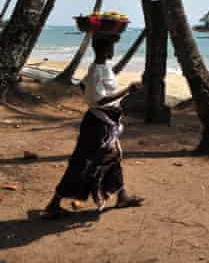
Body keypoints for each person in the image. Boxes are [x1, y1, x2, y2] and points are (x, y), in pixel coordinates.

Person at [45, 33, 144, 218]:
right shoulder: (98, 69)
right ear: (105, 49)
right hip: (98, 125)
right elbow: (100, 99)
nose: (114, 50)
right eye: (112, 46)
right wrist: (127, 90)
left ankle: (121, 196)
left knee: (113, 158)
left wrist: (93, 100)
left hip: (103, 123)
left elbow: (83, 85)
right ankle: (54, 203)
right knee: (82, 163)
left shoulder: (101, 67)